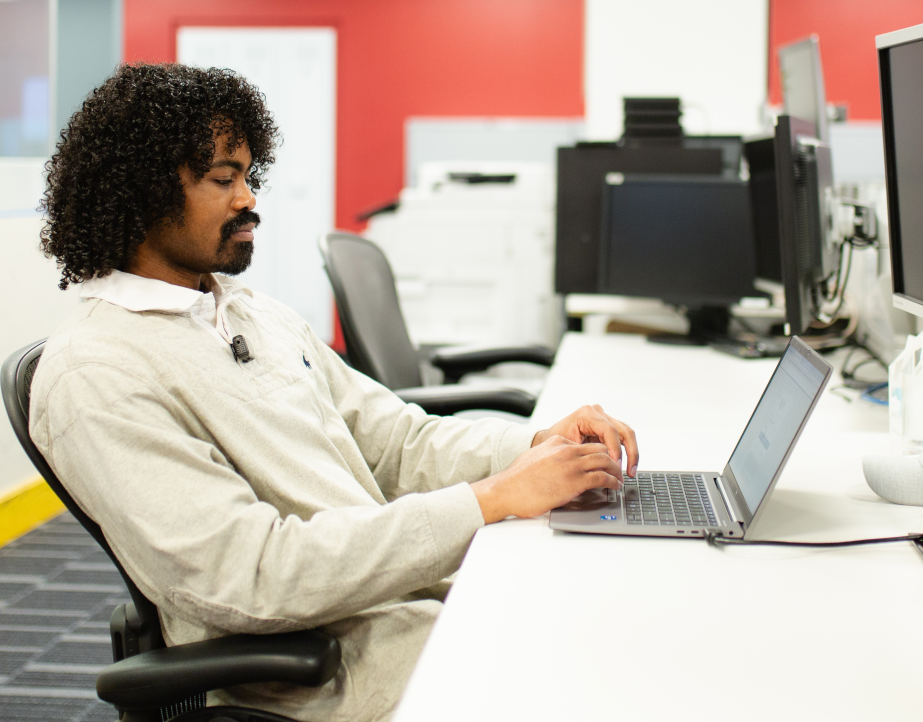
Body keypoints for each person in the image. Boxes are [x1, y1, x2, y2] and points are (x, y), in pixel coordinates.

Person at [31, 62, 639, 722]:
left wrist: (533, 445)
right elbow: (253, 574)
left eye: (248, 176)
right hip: (337, 679)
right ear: (143, 194)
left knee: (619, 617)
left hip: (409, 612)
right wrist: (489, 501)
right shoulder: (95, 374)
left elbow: (399, 443)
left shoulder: (247, 313)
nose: (248, 199)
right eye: (223, 179)